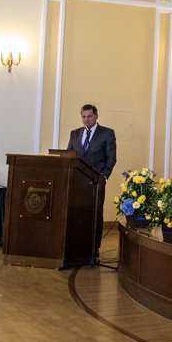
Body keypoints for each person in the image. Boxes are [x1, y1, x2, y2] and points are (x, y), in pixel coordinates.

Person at [67, 104, 117, 265]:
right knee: (76, 214)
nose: (86, 119)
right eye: (83, 116)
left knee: (95, 215)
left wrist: (104, 176)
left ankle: (93, 250)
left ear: (96, 116)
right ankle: (75, 248)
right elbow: (69, 156)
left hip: (95, 182)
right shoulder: (75, 134)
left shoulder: (107, 133)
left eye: (89, 116)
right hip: (76, 183)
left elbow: (111, 158)